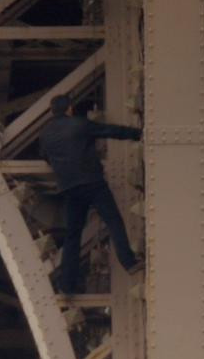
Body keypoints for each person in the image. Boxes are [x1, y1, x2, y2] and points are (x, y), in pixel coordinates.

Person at [38, 94, 143, 295]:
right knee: (113, 221)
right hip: (92, 183)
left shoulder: (46, 134)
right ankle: (129, 262)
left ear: (53, 111)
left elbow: (45, 155)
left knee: (72, 236)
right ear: (70, 108)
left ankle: (67, 285)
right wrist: (137, 133)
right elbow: (110, 130)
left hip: (69, 188)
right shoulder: (80, 124)